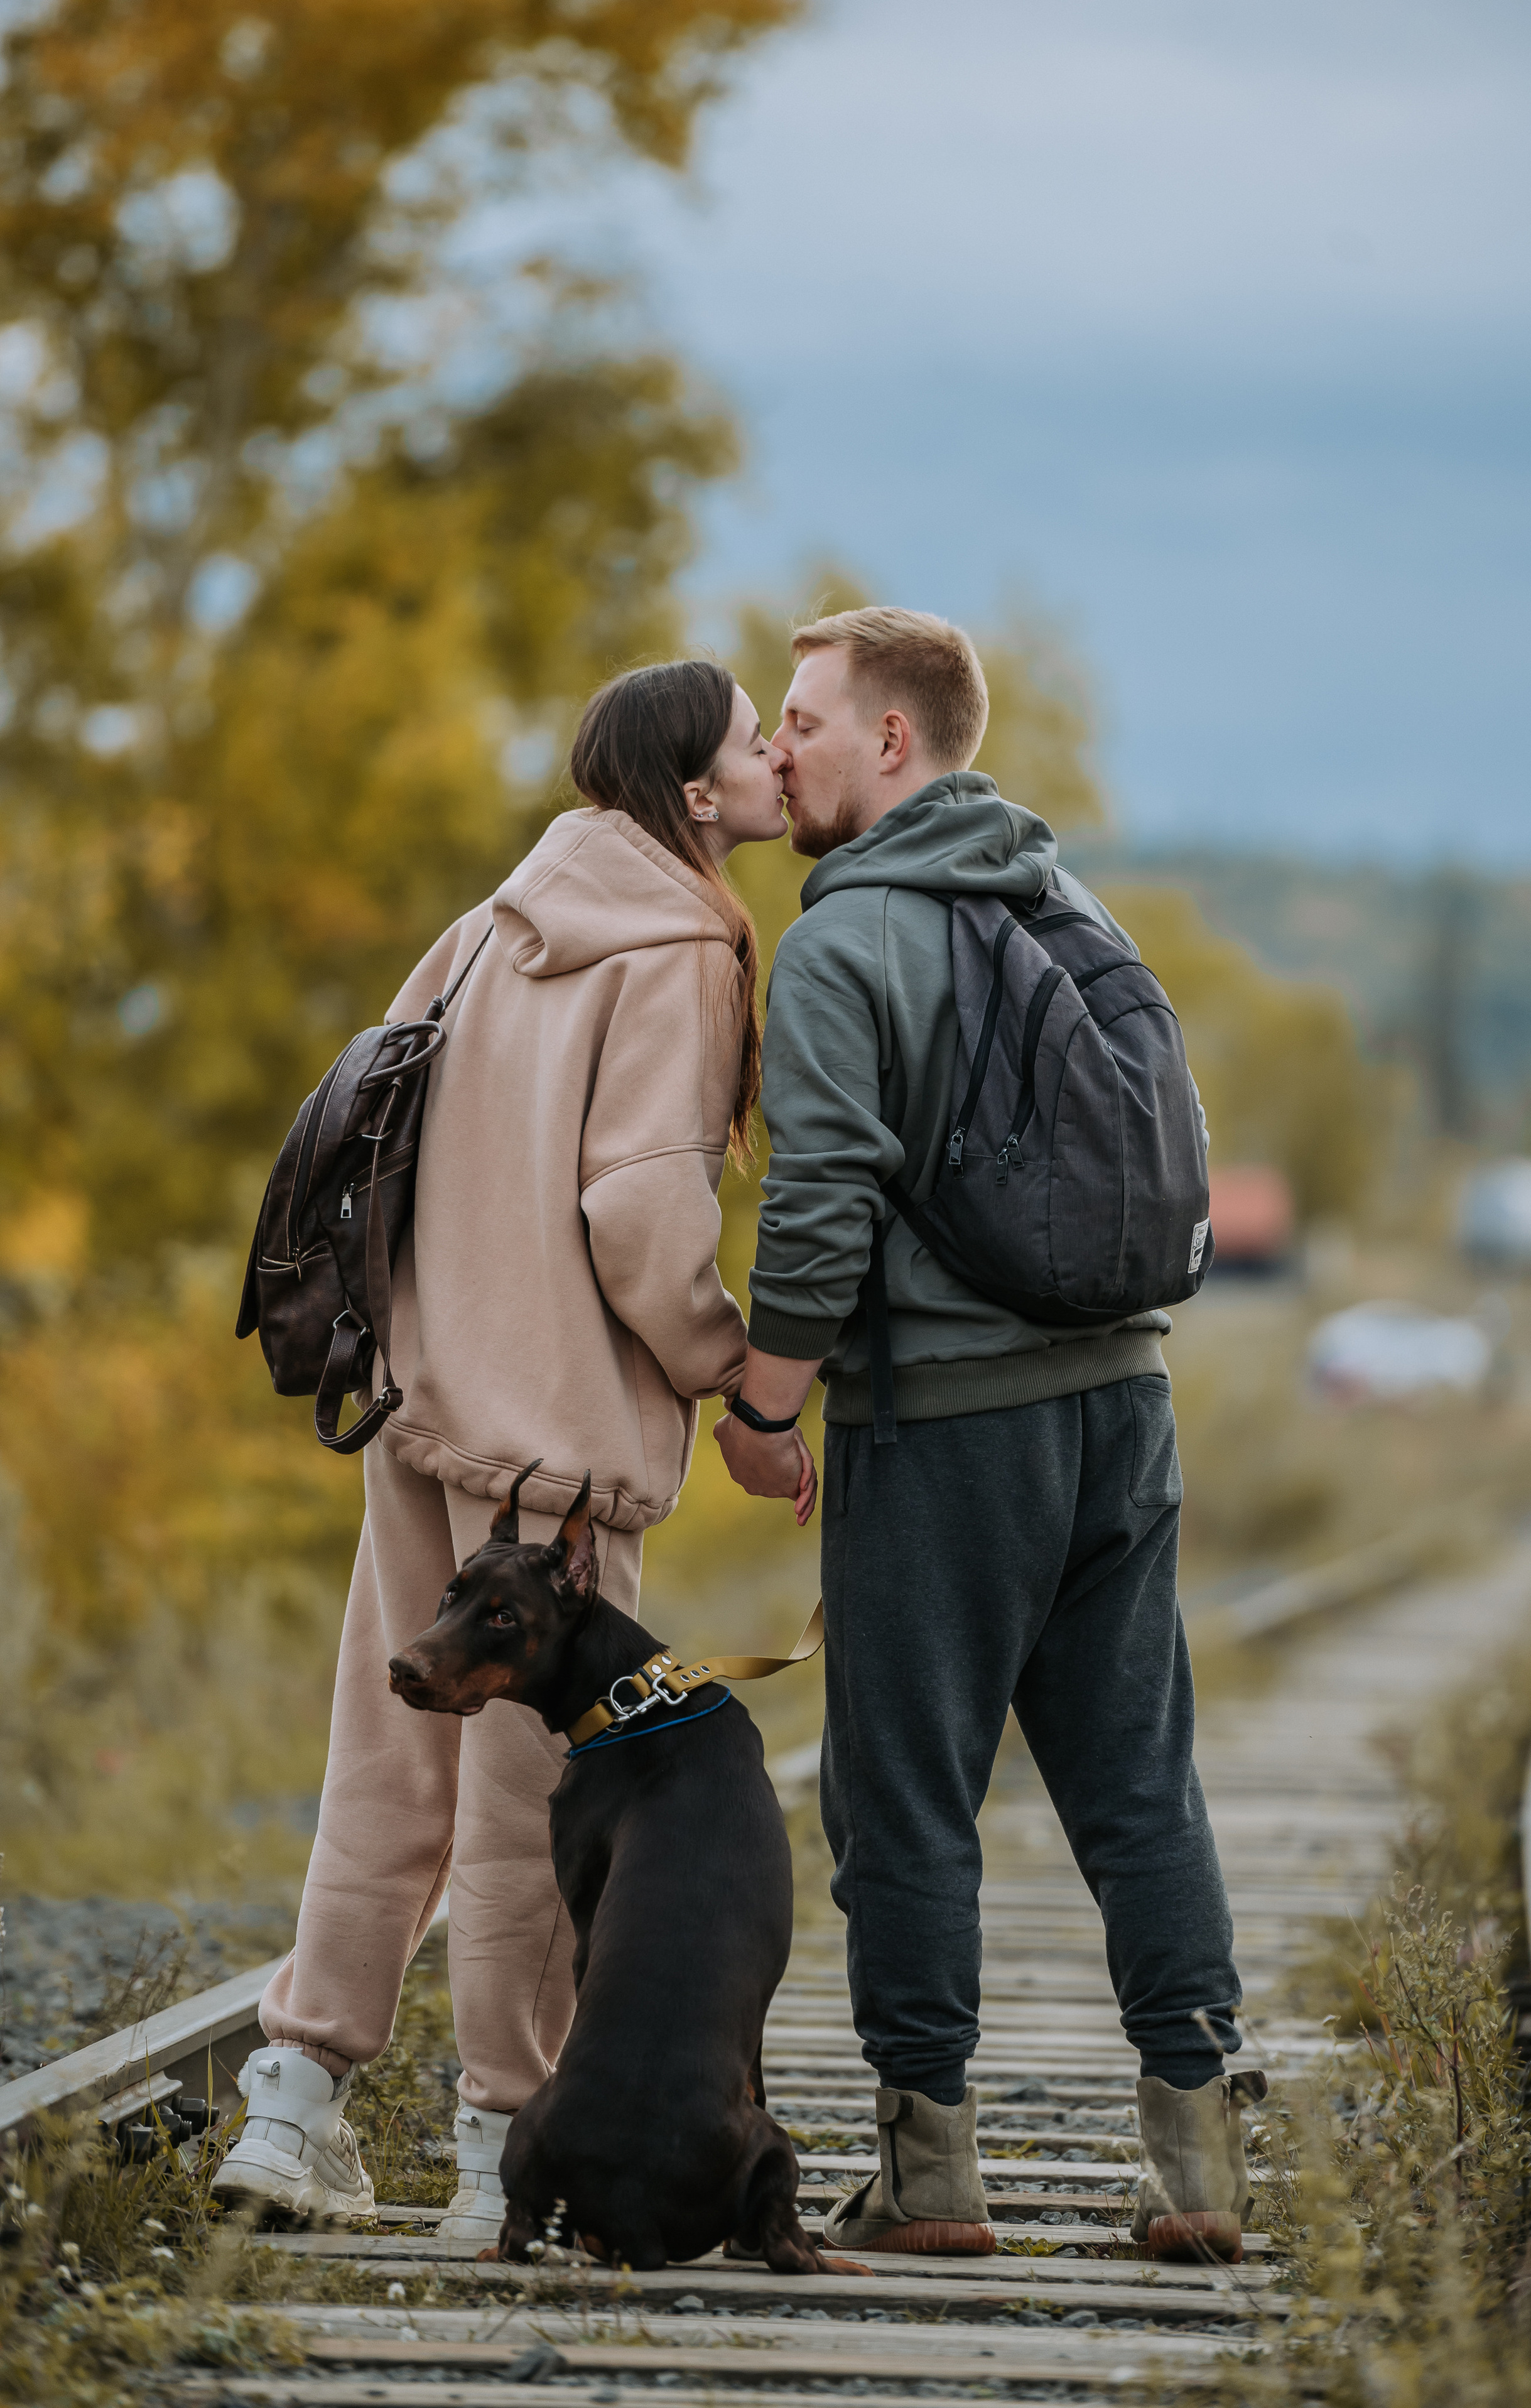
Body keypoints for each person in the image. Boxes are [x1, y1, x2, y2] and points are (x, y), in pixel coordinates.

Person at [214, 660, 789, 2239]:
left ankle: (294, 2103)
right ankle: (499, 2145)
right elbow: (642, 1212)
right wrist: (731, 1372)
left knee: (389, 1761)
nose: (772, 763)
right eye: (754, 743)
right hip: (547, 1449)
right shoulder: (678, 949)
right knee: (538, 1811)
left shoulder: (488, 923)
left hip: (414, 1400)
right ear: (693, 795)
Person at [714, 608, 1253, 2262]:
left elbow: (818, 1207)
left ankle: (931, 2176)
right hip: (1125, 1407)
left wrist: (764, 1402)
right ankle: (1200, 2170)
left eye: (803, 719)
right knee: (1141, 1788)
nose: (781, 749)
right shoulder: (1066, 896)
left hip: (948, 1430)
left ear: (895, 740)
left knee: (906, 1794)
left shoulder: (845, 942)